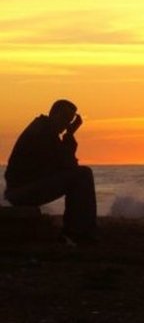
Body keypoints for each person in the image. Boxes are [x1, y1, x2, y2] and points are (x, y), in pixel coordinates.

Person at [4, 99, 97, 245]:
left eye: (69, 120)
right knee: (83, 175)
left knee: (81, 175)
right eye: (64, 118)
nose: (66, 123)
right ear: (53, 114)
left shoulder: (45, 129)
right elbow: (68, 165)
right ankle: (77, 231)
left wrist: (69, 135)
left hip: (23, 189)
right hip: (21, 192)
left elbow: (64, 164)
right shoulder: (43, 132)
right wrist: (70, 134)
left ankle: (77, 230)